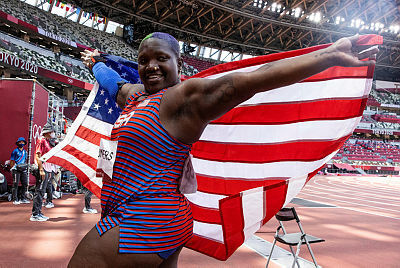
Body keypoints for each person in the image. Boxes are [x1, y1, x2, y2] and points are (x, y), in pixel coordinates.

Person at [69, 32, 378, 267]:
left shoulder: (184, 99)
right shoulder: (136, 97)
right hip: (144, 215)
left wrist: (328, 55)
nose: (151, 66)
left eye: (161, 58)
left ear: (178, 63)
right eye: (144, 60)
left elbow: (252, 80)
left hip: (147, 219)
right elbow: (114, 85)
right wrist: (96, 64)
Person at [30, 124, 57, 222]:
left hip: (46, 169)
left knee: (42, 191)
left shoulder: (47, 141)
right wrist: (41, 169)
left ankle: (38, 212)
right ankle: (35, 214)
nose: (53, 133)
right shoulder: (41, 140)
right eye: (51, 132)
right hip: (42, 169)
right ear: (48, 132)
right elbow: (38, 155)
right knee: (39, 191)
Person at [10, 137, 29, 205]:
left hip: (23, 169)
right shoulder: (15, 151)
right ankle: (15, 199)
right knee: (16, 184)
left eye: (22, 142)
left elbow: (25, 160)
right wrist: (12, 168)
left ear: (24, 143)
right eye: (20, 142)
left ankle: (23, 198)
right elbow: (12, 160)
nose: (21, 143)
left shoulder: (25, 152)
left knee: (25, 183)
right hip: (16, 170)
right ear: (18, 143)